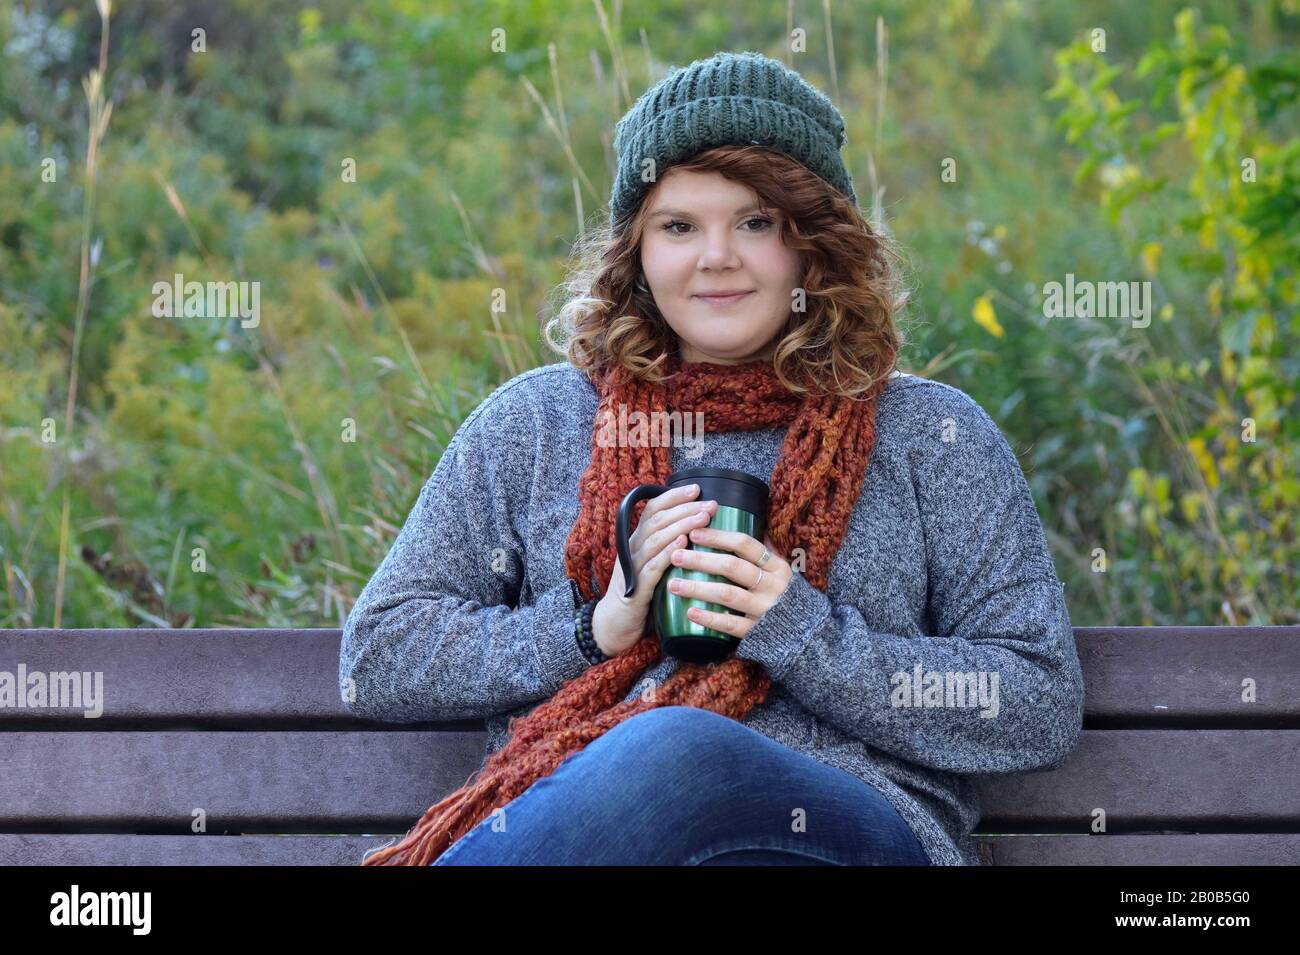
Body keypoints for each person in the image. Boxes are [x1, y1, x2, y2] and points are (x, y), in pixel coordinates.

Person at [339, 50, 1084, 866]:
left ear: (814, 243)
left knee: (678, 749)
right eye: (678, 225)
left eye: (756, 222)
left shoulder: (931, 435)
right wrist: (594, 628)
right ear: (638, 252)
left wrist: (803, 634)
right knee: (666, 754)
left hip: (851, 837)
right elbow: (380, 654)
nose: (715, 257)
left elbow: (1037, 699)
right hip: (607, 840)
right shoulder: (538, 422)